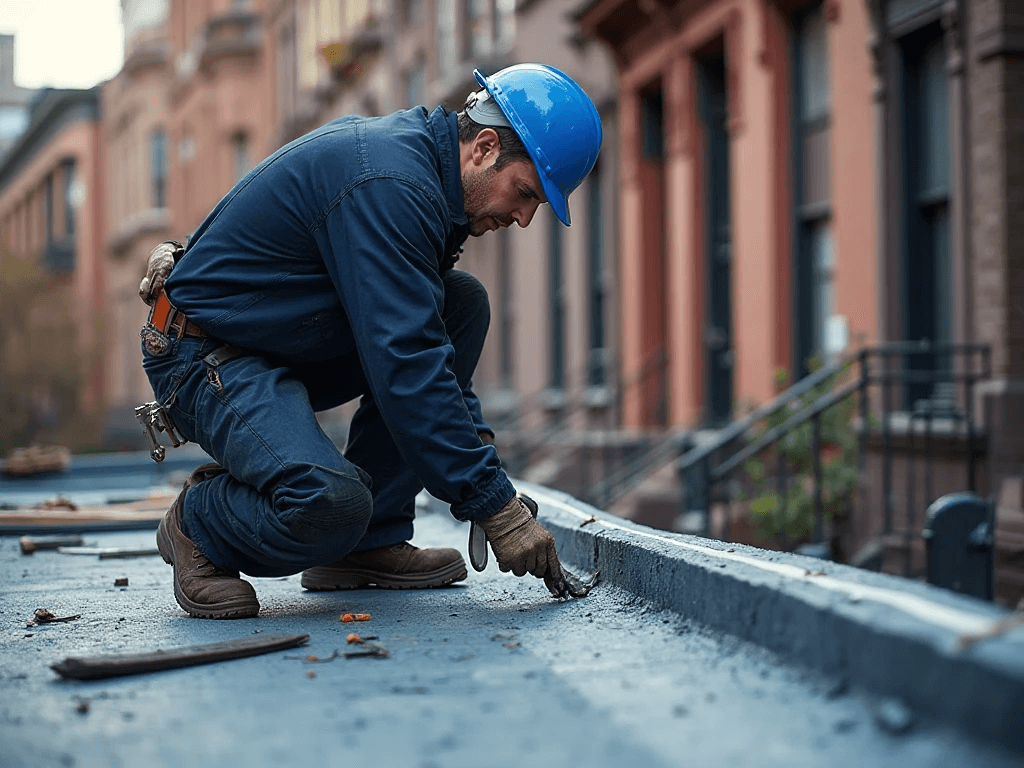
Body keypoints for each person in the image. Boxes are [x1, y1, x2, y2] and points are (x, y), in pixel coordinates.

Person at [137, 64, 603, 619]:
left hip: (273, 337)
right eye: (525, 193)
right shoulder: (392, 185)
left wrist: (488, 485)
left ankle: (368, 544)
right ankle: (201, 524)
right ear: (481, 147)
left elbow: (431, 360)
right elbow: (408, 366)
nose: (524, 218)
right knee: (330, 504)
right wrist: (495, 506)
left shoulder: (429, 184)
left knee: (461, 303)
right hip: (203, 352)